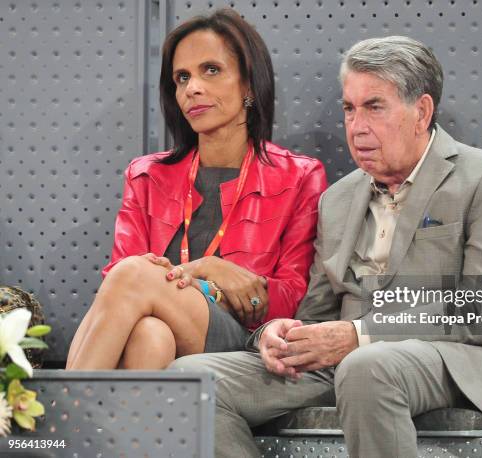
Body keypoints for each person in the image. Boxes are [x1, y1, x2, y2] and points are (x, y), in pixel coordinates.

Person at [170, 35, 482, 458]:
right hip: (343, 362)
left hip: (454, 356)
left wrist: (358, 336)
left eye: (374, 107)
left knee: (367, 367)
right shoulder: (339, 197)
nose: (357, 126)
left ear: (421, 112)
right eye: (349, 109)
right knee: (191, 379)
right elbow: (315, 314)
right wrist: (276, 336)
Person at [65, 9, 327, 370]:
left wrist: (207, 273)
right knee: (149, 335)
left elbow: (294, 299)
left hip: (246, 341)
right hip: (168, 332)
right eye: (182, 77)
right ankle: (125, 426)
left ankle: (65, 419)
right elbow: (115, 291)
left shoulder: (299, 176)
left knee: (134, 273)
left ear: (249, 85)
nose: (193, 88)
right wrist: (209, 271)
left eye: (211, 70)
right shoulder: (146, 176)